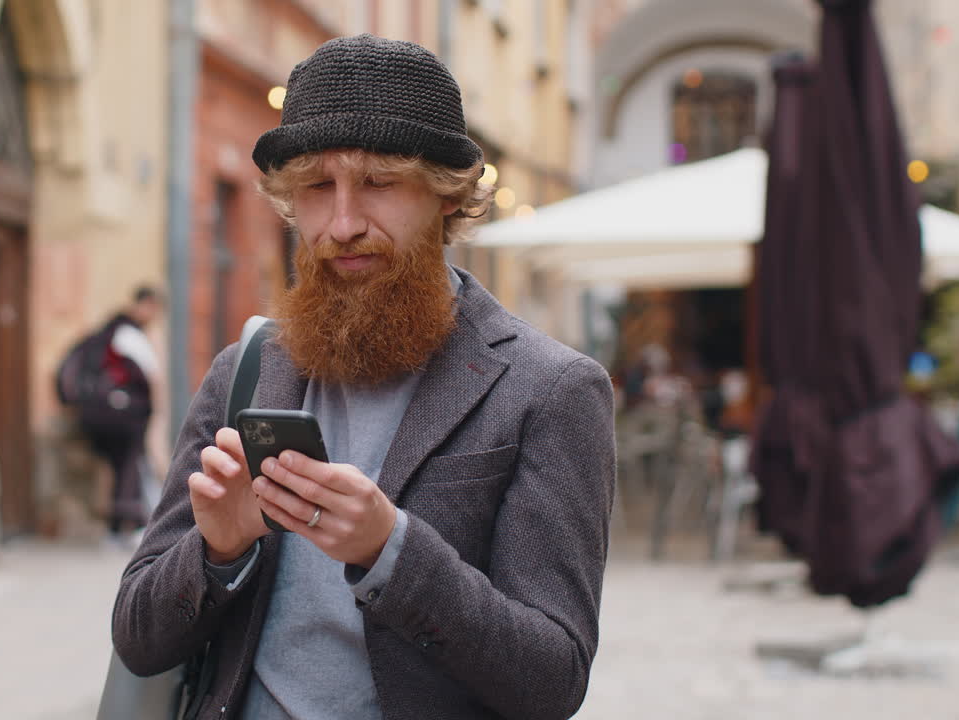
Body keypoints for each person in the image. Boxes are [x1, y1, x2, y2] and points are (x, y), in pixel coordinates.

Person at [112, 34, 615, 720]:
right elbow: (138, 640)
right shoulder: (246, 374)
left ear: (446, 196)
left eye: (379, 183)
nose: (343, 223)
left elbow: (552, 681)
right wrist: (218, 550)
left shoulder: (551, 391)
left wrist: (393, 553)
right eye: (317, 187)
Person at [60, 285, 162, 541]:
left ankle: (116, 528)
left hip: (98, 411)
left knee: (118, 467)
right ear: (146, 304)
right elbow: (151, 375)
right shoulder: (129, 335)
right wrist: (154, 412)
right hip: (124, 413)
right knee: (130, 464)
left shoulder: (109, 331)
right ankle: (132, 525)